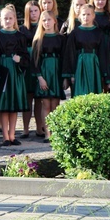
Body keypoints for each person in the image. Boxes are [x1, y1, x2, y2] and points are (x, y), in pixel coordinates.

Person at [0, 5, 29, 147]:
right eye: (5, 18)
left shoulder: (20, 37)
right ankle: (5, 136)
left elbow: (26, 57)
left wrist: (20, 60)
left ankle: (12, 135)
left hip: (16, 74)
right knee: (4, 106)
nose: (8, 21)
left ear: (14, 20)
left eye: (10, 18)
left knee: (14, 106)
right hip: (2, 72)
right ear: (1, 20)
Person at [31, 10, 64, 143]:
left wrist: (64, 77)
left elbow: (64, 57)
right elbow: (35, 60)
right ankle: (47, 133)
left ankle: (55, 132)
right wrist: (39, 77)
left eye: (49, 20)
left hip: (56, 72)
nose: (46, 22)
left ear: (54, 21)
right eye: (44, 20)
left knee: (55, 104)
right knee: (45, 104)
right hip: (44, 72)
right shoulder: (38, 39)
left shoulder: (61, 38)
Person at [63, 4, 110, 97]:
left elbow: (103, 54)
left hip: (94, 66)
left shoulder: (98, 33)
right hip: (79, 66)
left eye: (88, 14)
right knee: (80, 94)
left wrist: (104, 74)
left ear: (93, 15)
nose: (86, 17)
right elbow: (70, 53)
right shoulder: (75, 33)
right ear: (79, 16)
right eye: (83, 14)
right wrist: (71, 74)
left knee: (94, 95)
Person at [19, 0, 40, 139]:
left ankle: (40, 127)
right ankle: (25, 128)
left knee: (39, 98)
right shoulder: (22, 29)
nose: (33, 13)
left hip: (39, 63)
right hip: (26, 65)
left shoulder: (43, 26)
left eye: (35, 10)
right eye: (30, 11)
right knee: (27, 98)